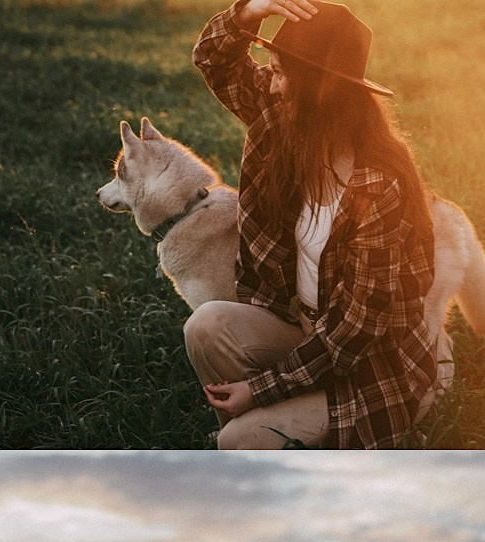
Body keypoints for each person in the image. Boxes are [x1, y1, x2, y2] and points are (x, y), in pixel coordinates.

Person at [186, 0, 439, 449]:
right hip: (300, 324)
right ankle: (284, 418)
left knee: (237, 443)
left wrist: (260, 390)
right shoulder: (282, 120)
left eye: (281, 72)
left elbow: (355, 331)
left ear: (320, 88)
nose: (272, 84)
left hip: (370, 366)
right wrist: (249, 11)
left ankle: (287, 430)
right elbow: (213, 59)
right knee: (206, 326)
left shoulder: (378, 186)